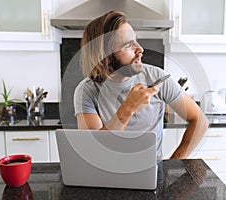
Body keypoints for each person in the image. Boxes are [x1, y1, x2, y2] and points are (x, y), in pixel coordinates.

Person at [74, 10, 209, 160]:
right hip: (108, 171)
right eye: (128, 45)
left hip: (152, 171)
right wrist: (129, 108)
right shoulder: (87, 91)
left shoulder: (157, 77)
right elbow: (94, 152)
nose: (140, 50)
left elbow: (200, 120)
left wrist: (175, 162)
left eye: (136, 41)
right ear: (105, 55)